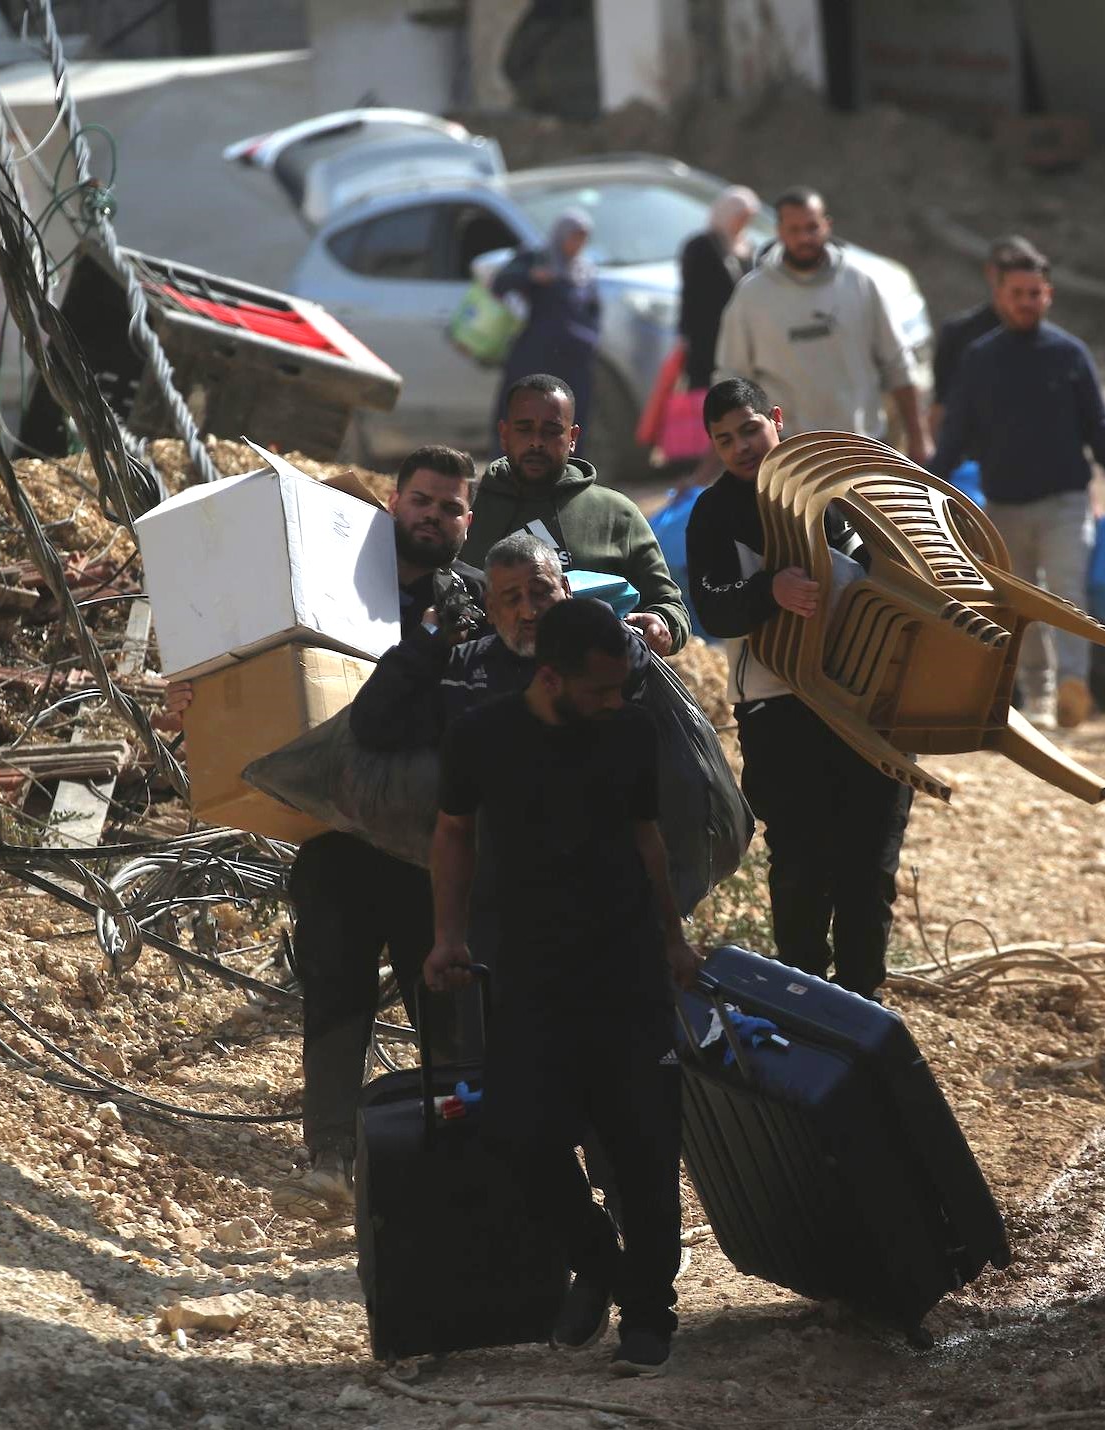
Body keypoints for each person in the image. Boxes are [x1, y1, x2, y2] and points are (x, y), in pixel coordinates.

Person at [163, 445, 486, 1217]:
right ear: (394, 502)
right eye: (420, 501)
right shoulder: (328, 582)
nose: (433, 516)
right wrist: (194, 700)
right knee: (336, 997)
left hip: (426, 844)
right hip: (335, 840)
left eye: (449, 507)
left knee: (445, 1010)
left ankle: (467, 1154)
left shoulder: (473, 604)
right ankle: (330, 1156)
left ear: (468, 520)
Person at [424, 596, 701, 1378]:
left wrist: (673, 936)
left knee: (644, 1149)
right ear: (550, 677)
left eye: (621, 689)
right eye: (601, 689)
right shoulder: (482, 736)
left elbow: (648, 838)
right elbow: (453, 832)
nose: (616, 701)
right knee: (519, 1136)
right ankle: (599, 1263)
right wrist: (447, 937)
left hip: (626, 970)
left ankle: (649, 1315)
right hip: (529, 972)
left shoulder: (630, 732)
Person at [686, 377, 912, 999]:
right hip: (781, 711)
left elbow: (910, 568)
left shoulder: (840, 487)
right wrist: (769, 593)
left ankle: (864, 1005)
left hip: (873, 704)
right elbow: (712, 610)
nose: (740, 447)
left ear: (777, 419)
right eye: (724, 439)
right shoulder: (714, 512)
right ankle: (805, 1005)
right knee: (799, 866)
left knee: (869, 869)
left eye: (750, 430)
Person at [930, 244, 1105, 731]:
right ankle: (1040, 696)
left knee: (1068, 593)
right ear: (1000, 295)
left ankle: (1075, 685)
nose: (1026, 301)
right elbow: (956, 434)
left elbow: (1099, 424)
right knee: (1019, 605)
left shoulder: (1069, 354)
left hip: (1066, 501)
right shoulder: (980, 359)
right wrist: (928, 481)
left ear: (1048, 295)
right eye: (1017, 294)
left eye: (1035, 293)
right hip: (1004, 506)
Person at [459, 373, 691, 655]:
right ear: (504, 434)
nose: (536, 442)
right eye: (524, 428)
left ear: (572, 437)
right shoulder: (467, 510)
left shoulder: (617, 514)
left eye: (551, 430)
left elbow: (670, 606)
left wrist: (661, 624)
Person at [713, 187, 929, 463]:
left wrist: (919, 435)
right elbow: (731, 379)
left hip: (865, 447)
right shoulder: (752, 296)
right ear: (779, 230)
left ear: (827, 225)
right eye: (794, 229)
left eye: (812, 227)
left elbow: (898, 364)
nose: (805, 237)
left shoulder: (860, 283)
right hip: (791, 453)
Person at [492, 209, 602, 440]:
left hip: (573, 360)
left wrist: (590, 339)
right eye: (574, 237)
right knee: (523, 414)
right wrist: (532, 276)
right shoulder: (537, 258)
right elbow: (500, 283)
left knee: (567, 419)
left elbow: (594, 311)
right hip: (534, 356)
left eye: (583, 239)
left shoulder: (584, 271)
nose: (578, 244)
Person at [929, 235, 1040, 440]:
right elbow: (940, 405)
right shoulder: (958, 333)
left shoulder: (1057, 347)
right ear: (991, 272)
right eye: (1007, 268)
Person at [678, 186, 759, 392]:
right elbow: (691, 297)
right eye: (739, 217)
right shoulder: (701, 247)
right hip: (707, 335)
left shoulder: (748, 247)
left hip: (742, 332)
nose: (743, 224)